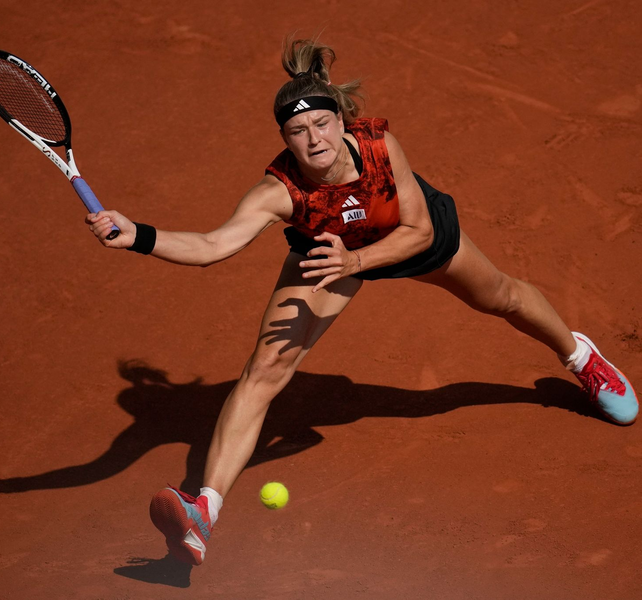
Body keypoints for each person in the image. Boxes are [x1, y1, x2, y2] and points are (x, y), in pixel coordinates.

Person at [86, 38, 638, 566]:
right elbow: (212, 246)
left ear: (339, 121)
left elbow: (420, 232)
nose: (314, 139)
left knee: (501, 297)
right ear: (285, 138)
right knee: (265, 368)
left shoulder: (378, 146)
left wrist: (356, 261)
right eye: (297, 131)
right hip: (327, 253)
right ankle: (204, 509)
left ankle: (580, 358)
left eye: (322, 123)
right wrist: (138, 234)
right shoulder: (277, 192)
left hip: (400, 233)